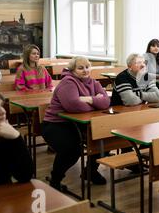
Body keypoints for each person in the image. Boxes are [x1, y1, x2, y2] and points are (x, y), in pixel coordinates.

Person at [42, 56, 110, 189]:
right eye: (80, 68)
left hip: (80, 123)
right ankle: (55, 180)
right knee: (72, 149)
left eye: (87, 67)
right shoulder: (68, 82)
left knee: (104, 140)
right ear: (72, 70)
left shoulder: (94, 82)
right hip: (56, 124)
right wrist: (95, 101)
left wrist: (87, 99)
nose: (85, 70)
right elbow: (73, 106)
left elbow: (106, 102)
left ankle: (90, 172)